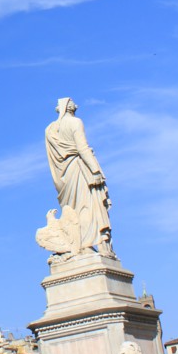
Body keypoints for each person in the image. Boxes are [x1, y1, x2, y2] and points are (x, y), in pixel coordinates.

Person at [45, 98, 112, 253]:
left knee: (72, 208)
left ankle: (77, 243)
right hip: (79, 168)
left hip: (64, 174)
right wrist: (95, 170)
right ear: (70, 107)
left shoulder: (50, 129)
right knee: (86, 205)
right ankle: (85, 243)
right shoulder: (75, 122)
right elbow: (82, 148)